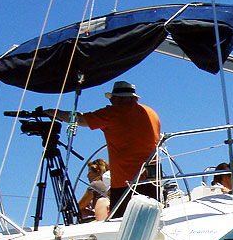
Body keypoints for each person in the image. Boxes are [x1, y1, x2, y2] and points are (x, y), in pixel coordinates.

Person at [55, 80, 160, 218]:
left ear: (117, 98)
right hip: (152, 180)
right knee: (151, 222)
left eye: (112, 99)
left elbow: (80, 119)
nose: (110, 103)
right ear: (134, 98)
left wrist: (54, 113)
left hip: (125, 183)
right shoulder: (151, 113)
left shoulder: (113, 113)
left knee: (120, 226)